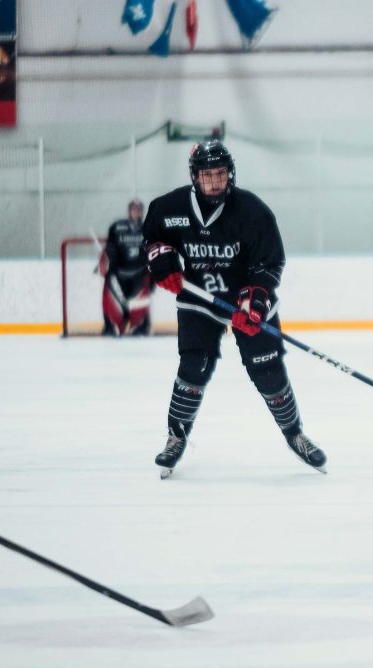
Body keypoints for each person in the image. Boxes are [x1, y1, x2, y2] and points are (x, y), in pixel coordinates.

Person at [142, 139, 327, 478]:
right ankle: (175, 437)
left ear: (231, 174)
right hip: (200, 301)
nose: (215, 181)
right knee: (194, 366)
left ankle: (294, 434)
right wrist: (161, 258)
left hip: (246, 301)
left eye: (221, 174)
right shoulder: (169, 208)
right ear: (195, 177)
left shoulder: (253, 212)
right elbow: (153, 237)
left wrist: (255, 300)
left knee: (267, 372)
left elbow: (271, 263)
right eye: (208, 175)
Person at [101, 199, 152, 336]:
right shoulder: (117, 227)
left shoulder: (148, 227)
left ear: (142, 211)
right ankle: (111, 326)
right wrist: (109, 263)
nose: (136, 211)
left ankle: (141, 326)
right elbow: (110, 247)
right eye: (134, 209)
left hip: (139, 273)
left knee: (140, 302)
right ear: (129, 210)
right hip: (119, 273)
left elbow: (152, 248)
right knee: (114, 300)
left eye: (139, 209)